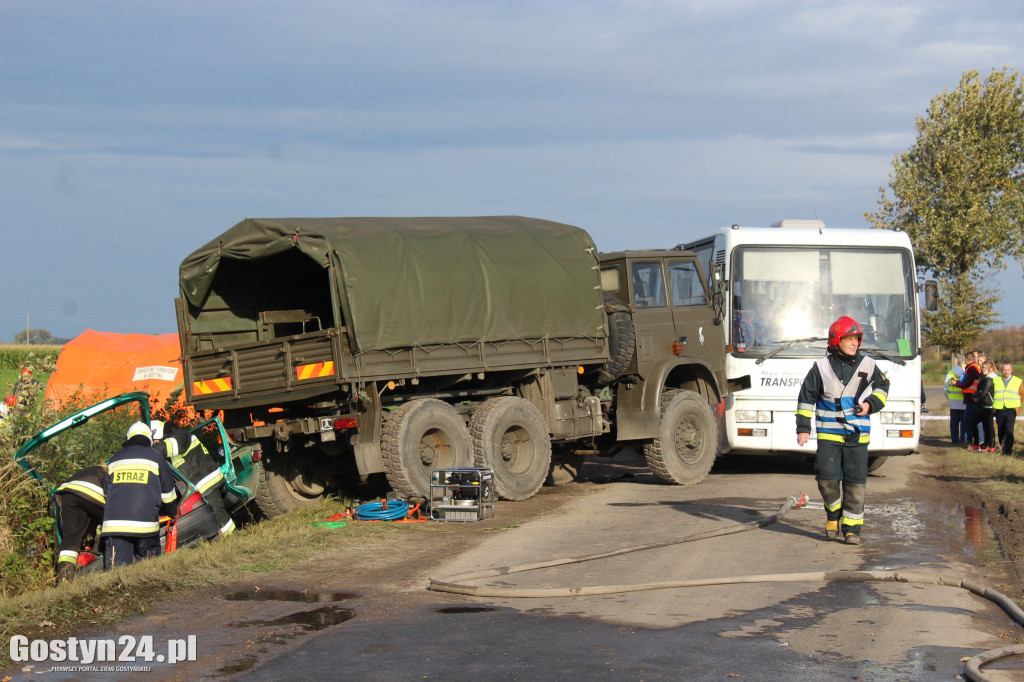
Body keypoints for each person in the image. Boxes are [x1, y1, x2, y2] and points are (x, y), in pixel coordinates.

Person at [797, 316, 889, 545]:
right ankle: (833, 515)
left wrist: (869, 405)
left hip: (858, 435)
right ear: (836, 340)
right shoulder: (821, 367)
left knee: (856, 484)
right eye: (849, 339)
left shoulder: (869, 364)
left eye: (857, 339)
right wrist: (803, 428)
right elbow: (806, 398)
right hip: (829, 434)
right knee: (826, 480)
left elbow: (883, 388)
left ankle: (852, 530)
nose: (855, 343)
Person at [101, 422, 178, 569]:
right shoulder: (156, 457)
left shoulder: (114, 459)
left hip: (115, 527)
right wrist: (171, 512)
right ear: (149, 439)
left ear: (128, 438)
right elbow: (168, 494)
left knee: (117, 575)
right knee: (149, 572)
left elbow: (107, 492)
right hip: (145, 526)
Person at [151, 420, 235, 536]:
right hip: (200, 483)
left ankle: (231, 536)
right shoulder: (174, 436)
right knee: (208, 515)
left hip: (206, 480)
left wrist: (150, 448)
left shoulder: (181, 435)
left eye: (154, 440)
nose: (155, 442)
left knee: (216, 512)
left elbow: (168, 447)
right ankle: (220, 537)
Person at [53, 464, 107, 581]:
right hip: (93, 491)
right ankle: (104, 557)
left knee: (70, 540)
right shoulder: (115, 470)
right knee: (111, 524)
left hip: (66, 492)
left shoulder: (100, 468)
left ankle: (64, 579)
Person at [994, 362, 1023, 456]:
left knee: (1009, 430)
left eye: (1008, 370)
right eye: (1004, 370)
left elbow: (1022, 394)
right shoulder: (996, 380)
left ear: (1011, 370)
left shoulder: (1018, 381)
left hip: (1011, 409)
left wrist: (1017, 404)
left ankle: (1008, 451)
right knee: (1001, 430)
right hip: (999, 408)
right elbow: (992, 393)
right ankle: (1003, 447)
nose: (1006, 372)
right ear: (1001, 370)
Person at [956, 352, 982, 449]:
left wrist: (957, 384)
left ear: (966, 360)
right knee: (971, 420)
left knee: (968, 420)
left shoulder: (971, 368)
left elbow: (968, 382)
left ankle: (971, 440)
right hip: (972, 397)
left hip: (972, 398)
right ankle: (973, 440)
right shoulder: (973, 367)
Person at [972, 360, 998, 453]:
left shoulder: (989, 379)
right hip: (988, 405)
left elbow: (983, 394)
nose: (982, 369)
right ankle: (988, 445)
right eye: (982, 367)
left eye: (984, 368)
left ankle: (979, 444)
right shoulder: (990, 377)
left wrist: (977, 401)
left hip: (988, 406)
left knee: (976, 422)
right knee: (987, 426)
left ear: (991, 369)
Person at [945, 361, 966, 446]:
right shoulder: (966, 373)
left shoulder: (950, 373)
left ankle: (954, 439)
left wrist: (949, 397)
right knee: (964, 424)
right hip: (965, 403)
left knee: (954, 423)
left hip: (953, 403)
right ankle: (963, 440)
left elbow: (945, 388)